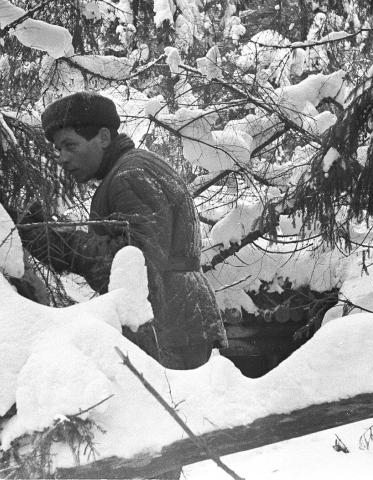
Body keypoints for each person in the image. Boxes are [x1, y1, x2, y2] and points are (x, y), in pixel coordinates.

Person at [24, 91, 226, 369]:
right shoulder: (133, 167)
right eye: (59, 149)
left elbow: (135, 265)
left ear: (103, 137)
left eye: (70, 145)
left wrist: (53, 240)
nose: (63, 158)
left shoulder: (129, 175)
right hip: (178, 321)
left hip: (166, 326)